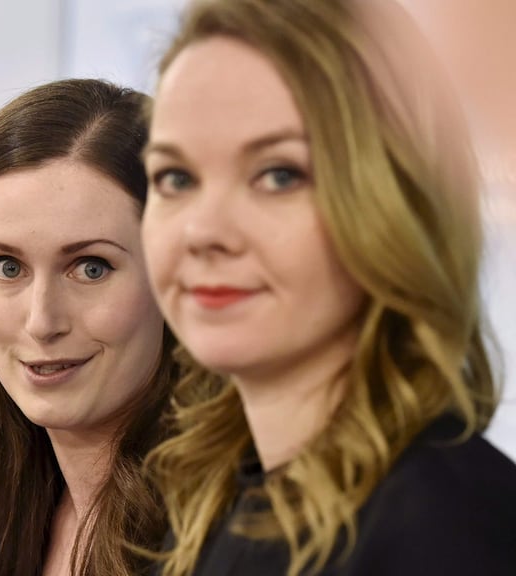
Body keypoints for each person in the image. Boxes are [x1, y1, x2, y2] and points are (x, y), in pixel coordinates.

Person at [140, 1, 516, 574]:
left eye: (279, 175)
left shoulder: (449, 523)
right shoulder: (209, 503)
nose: (203, 232)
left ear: (397, 201)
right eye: (176, 178)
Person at [0, 78, 178, 576]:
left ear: (174, 273)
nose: (41, 321)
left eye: (91, 267)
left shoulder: (229, 532)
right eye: (8, 267)